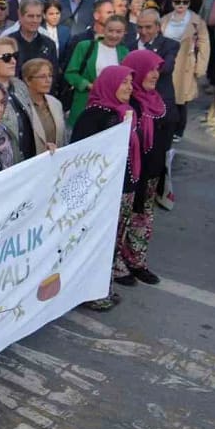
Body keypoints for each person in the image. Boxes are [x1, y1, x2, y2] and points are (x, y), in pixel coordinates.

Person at [71, 65, 141, 311]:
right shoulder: (94, 116)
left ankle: (104, 287)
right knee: (97, 243)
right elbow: (81, 158)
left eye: (131, 83)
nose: (129, 88)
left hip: (124, 188)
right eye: (123, 83)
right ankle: (89, 292)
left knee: (113, 242)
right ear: (109, 84)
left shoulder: (126, 111)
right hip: (102, 193)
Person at [118, 50, 172, 286]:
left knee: (144, 218)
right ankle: (117, 264)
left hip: (153, 172)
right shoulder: (128, 103)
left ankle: (136, 260)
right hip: (130, 174)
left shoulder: (157, 99)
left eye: (157, 69)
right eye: (150, 69)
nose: (154, 74)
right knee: (123, 219)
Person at [0, 37, 36, 163]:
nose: (13, 61)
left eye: (15, 56)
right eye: (6, 57)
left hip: (28, 164)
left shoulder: (20, 86)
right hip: (1, 168)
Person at [65, 15, 129, 127]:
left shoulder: (125, 52)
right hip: (84, 103)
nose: (114, 35)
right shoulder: (85, 46)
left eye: (118, 32)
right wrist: (88, 85)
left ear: (124, 33)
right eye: (110, 31)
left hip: (112, 109)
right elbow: (70, 73)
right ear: (103, 30)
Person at [161, 0, 209, 140]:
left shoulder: (197, 21)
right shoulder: (165, 20)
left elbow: (204, 44)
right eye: (177, 1)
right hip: (166, 61)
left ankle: (178, 131)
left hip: (185, 64)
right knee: (164, 96)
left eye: (185, 2)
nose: (181, 5)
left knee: (181, 99)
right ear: (172, 3)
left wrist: (201, 67)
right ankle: (164, 126)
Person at [21, 59, 67, 155]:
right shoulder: (21, 105)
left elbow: (63, 139)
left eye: (50, 76)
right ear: (28, 80)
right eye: (42, 77)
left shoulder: (56, 103)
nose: (48, 80)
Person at [41, 1, 71, 65]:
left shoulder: (65, 31)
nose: (55, 17)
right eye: (51, 14)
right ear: (44, 15)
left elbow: (68, 53)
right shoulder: (39, 30)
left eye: (57, 13)